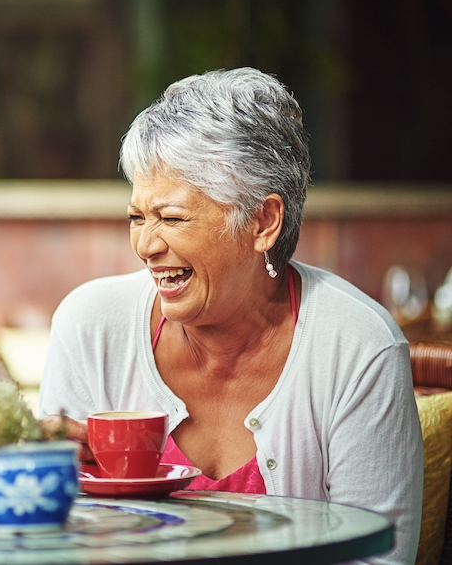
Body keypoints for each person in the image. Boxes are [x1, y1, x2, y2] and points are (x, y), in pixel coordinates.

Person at [39, 68, 423, 565]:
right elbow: (54, 544)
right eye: (137, 217)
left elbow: (378, 558)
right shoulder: (90, 326)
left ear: (263, 222)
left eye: (172, 218)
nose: (146, 246)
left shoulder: (358, 348)